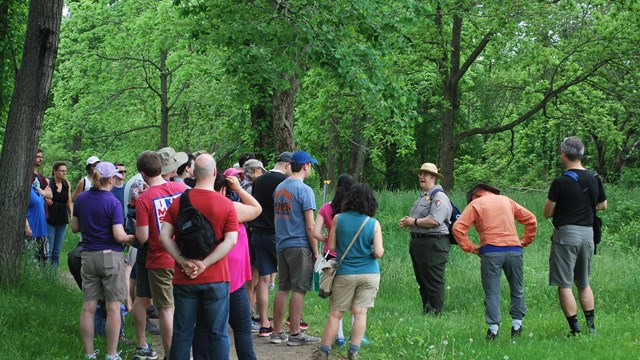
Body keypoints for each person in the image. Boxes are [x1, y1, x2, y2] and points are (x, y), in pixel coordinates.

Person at [159, 153, 238, 360]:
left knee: (182, 334)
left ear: (193, 173)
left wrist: (183, 261)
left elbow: (164, 236)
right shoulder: (226, 204)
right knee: (218, 333)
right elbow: (231, 241)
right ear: (214, 172)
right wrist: (205, 263)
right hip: (216, 278)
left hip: (184, 278)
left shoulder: (178, 202)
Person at [452, 183, 537, 340]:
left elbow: (458, 228)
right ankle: (517, 325)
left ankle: (493, 330)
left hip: (491, 252)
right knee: (517, 288)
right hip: (514, 251)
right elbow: (531, 219)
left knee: (492, 292)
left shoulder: (475, 204)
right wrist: (524, 241)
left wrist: (472, 247)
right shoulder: (506, 200)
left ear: (473, 196)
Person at [311, 183, 384, 360]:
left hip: (345, 272)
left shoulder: (338, 219)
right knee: (360, 312)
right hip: (369, 273)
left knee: (336, 314)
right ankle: (353, 351)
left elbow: (333, 246)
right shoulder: (373, 223)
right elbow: (378, 253)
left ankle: (324, 351)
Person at [543, 136, 607, 336]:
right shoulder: (594, 178)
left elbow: (547, 212)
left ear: (564, 154)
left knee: (564, 283)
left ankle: (575, 330)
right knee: (584, 282)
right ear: (581, 154)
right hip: (588, 234)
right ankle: (591, 327)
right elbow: (602, 205)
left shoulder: (560, 182)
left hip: (566, 235)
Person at [71, 162, 135, 360]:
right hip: (110, 256)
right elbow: (118, 235)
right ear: (111, 178)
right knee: (113, 307)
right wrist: (134, 237)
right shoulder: (112, 202)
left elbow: (74, 228)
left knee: (88, 307)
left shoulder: (81, 199)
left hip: (88, 256)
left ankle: (89, 354)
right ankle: (111, 354)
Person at [133, 149, 186, 359]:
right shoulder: (180, 189)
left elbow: (143, 237)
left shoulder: (145, 198)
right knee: (180, 306)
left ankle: (172, 354)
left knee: (165, 308)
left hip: (159, 258)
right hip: (182, 254)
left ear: (143, 173)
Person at [270, 150, 320, 346]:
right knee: (299, 289)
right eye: (311, 165)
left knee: (283, 288)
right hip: (299, 245)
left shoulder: (279, 188)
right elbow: (310, 224)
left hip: (281, 244)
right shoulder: (304, 190)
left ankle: (276, 332)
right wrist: (316, 251)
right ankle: (295, 333)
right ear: (306, 166)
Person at [214, 171, 261, 360]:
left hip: (214, 277)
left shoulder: (196, 207)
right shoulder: (230, 207)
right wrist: (239, 188)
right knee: (240, 329)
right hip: (232, 281)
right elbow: (256, 208)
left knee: (214, 330)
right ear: (224, 189)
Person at [399, 163, 452, 314]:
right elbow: (421, 219)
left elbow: (435, 220)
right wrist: (409, 222)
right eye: (420, 174)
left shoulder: (439, 196)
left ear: (433, 178)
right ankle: (427, 309)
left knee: (434, 278)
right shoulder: (423, 196)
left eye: (425, 174)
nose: (421, 177)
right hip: (420, 242)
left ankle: (435, 312)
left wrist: (414, 222)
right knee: (422, 278)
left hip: (434, 243)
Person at [250, 151, 292, 337]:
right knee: (287, 279)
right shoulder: (284, 184)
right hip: (276, 234)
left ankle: (264, 323)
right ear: (287, 165)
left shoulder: (258, 181)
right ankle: (286, 321)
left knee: (263, 280)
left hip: (257, 232)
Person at [312, 173, 355, 346]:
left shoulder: (326, 208)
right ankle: (356, 334)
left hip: (331, 256)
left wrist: (328, 240)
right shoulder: (353, 209)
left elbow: (315, 233)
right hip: (350, 255)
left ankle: (339, 336)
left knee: (335, 298)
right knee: (353, 297)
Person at [46, 161, 73, 268]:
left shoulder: (66, 184)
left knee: (57, 251)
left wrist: (71, 213)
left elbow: (69, 201)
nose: (64, 173)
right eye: (61, 171)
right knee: (49, 250)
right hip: (50, 218)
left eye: (65, 171)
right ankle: (46, 274)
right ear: (55, 171)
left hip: (62, 218)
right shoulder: (48, 181)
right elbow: (40, 193)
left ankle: (53, 275)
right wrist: (45, 199)